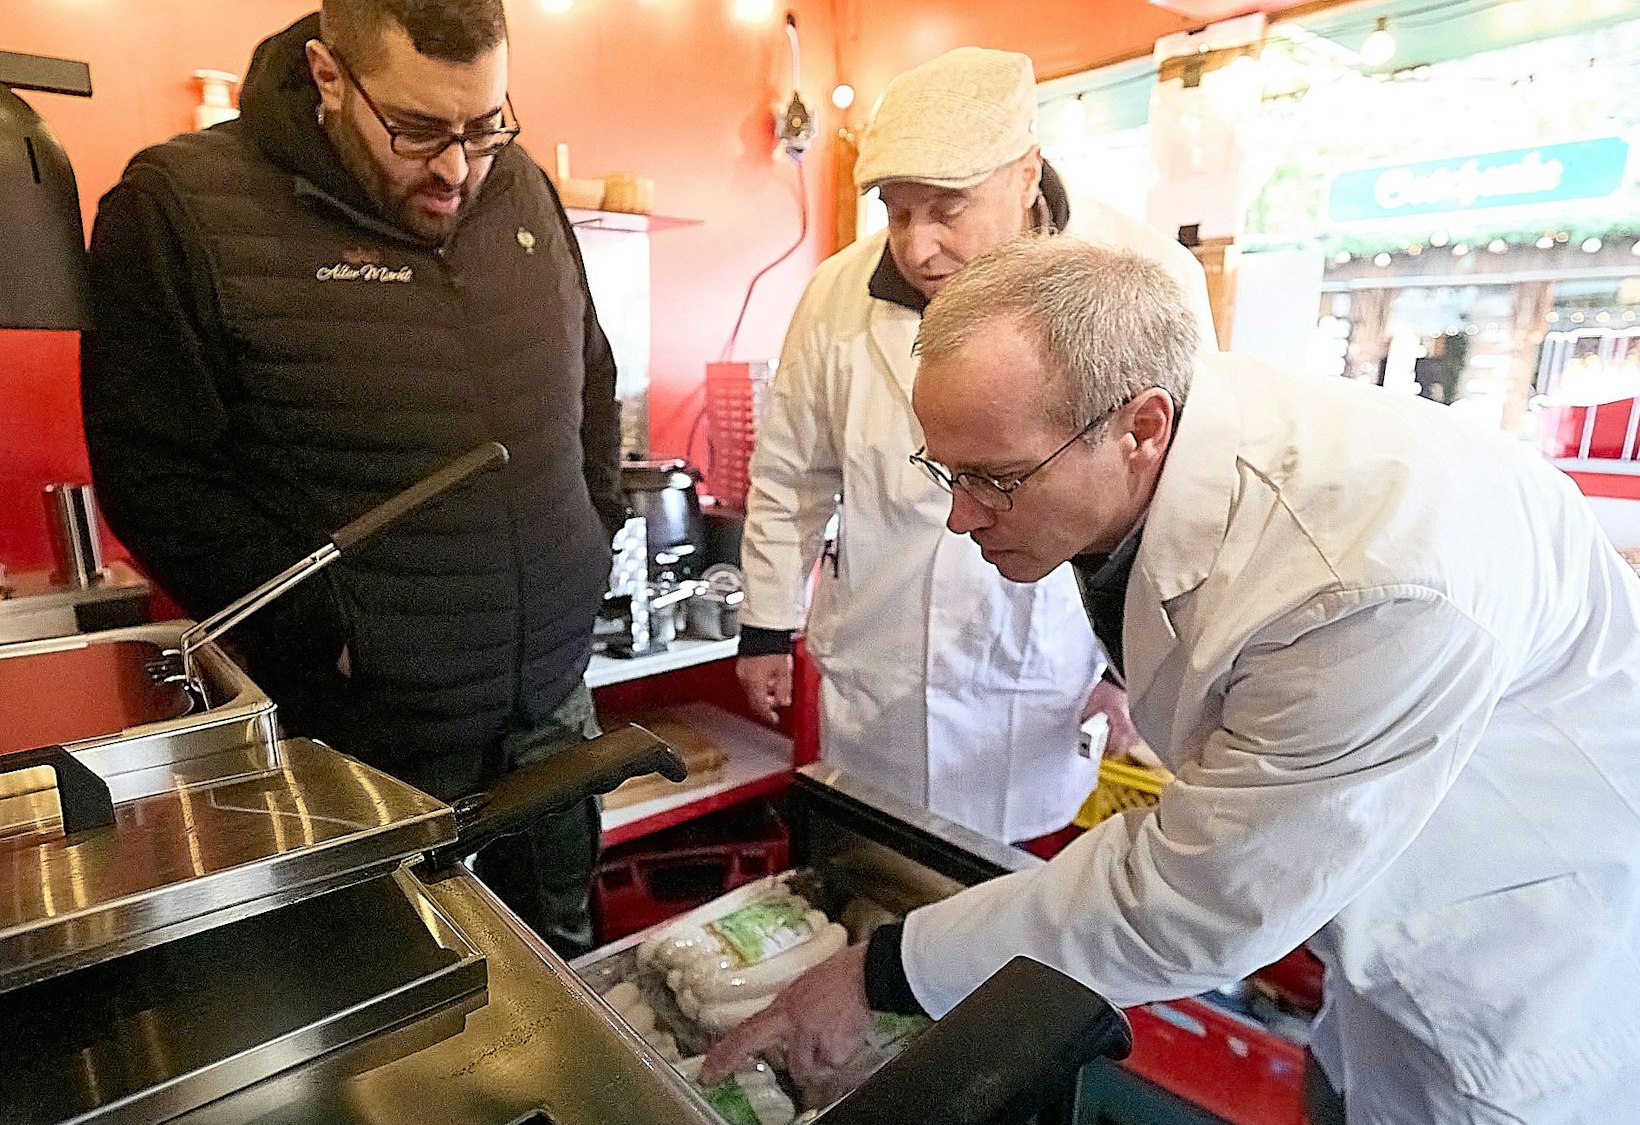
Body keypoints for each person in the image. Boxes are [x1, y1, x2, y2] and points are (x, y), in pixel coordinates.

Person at [708, 238, 1640, 1123]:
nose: (959, 516)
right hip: (1383, 914)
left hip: (1524, 965)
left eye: (993, 479)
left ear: (1141, 429)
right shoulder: (1168, 435)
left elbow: (1197, 897)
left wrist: (883, 974)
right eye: (943, 471)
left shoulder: (1367, 574)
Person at [80, 0, 625, 957]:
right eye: (418, 131)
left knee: (570, 983)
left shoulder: (523, 188)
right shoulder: (180, 207)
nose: (457, 167)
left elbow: (590, 374)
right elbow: (154, 476)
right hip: (366, 750)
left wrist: (595, 529)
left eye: (485, 126)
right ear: (331, 77)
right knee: (404, 1031)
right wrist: (325, 631)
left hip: (552, 714)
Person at [736, 47, 1215, 843]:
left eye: (947, 209)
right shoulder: (836, 295)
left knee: (1009, 915)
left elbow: (1179, 498)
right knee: (873, 879)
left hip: (1040, 680)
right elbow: (792, 474)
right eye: (896, 211)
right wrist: (765, 627)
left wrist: (1132, 670)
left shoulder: (1145, 278)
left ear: (1027, 174)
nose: (917, 247)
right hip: (877, 678)